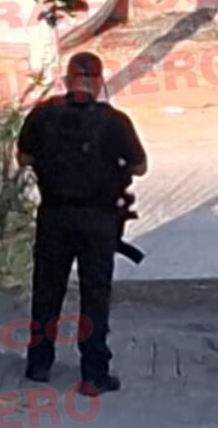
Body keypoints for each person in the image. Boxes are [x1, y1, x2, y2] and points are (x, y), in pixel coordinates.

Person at [17, 52, 147, 392]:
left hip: (54, 215)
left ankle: (39, 363)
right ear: (100, 82)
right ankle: (94, 371)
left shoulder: (43, 115)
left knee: (47, 291)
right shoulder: (114, 122)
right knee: (95, 296)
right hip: (98, 220)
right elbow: (139, 166)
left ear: (66, 81)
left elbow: (24, 157)